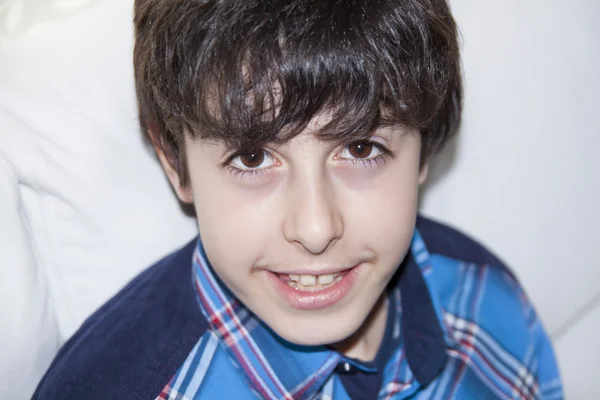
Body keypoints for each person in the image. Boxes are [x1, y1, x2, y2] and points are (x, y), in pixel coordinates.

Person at [33, 0, 563, 398]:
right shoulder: (113, 386)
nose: (314, 229)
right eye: (252, 158)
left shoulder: (488, 303)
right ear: (176, 162)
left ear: (423, 150)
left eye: (361, 147)